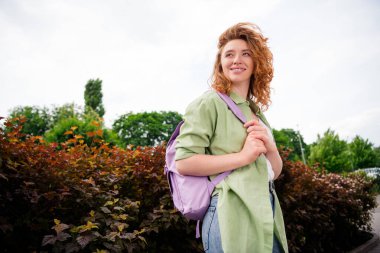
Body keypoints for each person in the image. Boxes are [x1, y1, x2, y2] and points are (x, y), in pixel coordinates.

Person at [174, 22, 288, 253]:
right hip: (230, 214)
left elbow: (272, 173)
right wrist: (243, 156)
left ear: (256, 63)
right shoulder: (209, 103)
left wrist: (272, 149)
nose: (237, 59)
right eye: (229, 54)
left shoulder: (256, 112)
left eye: (246, 54)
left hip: (267, 211)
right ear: (221, 64)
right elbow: (184, 162)